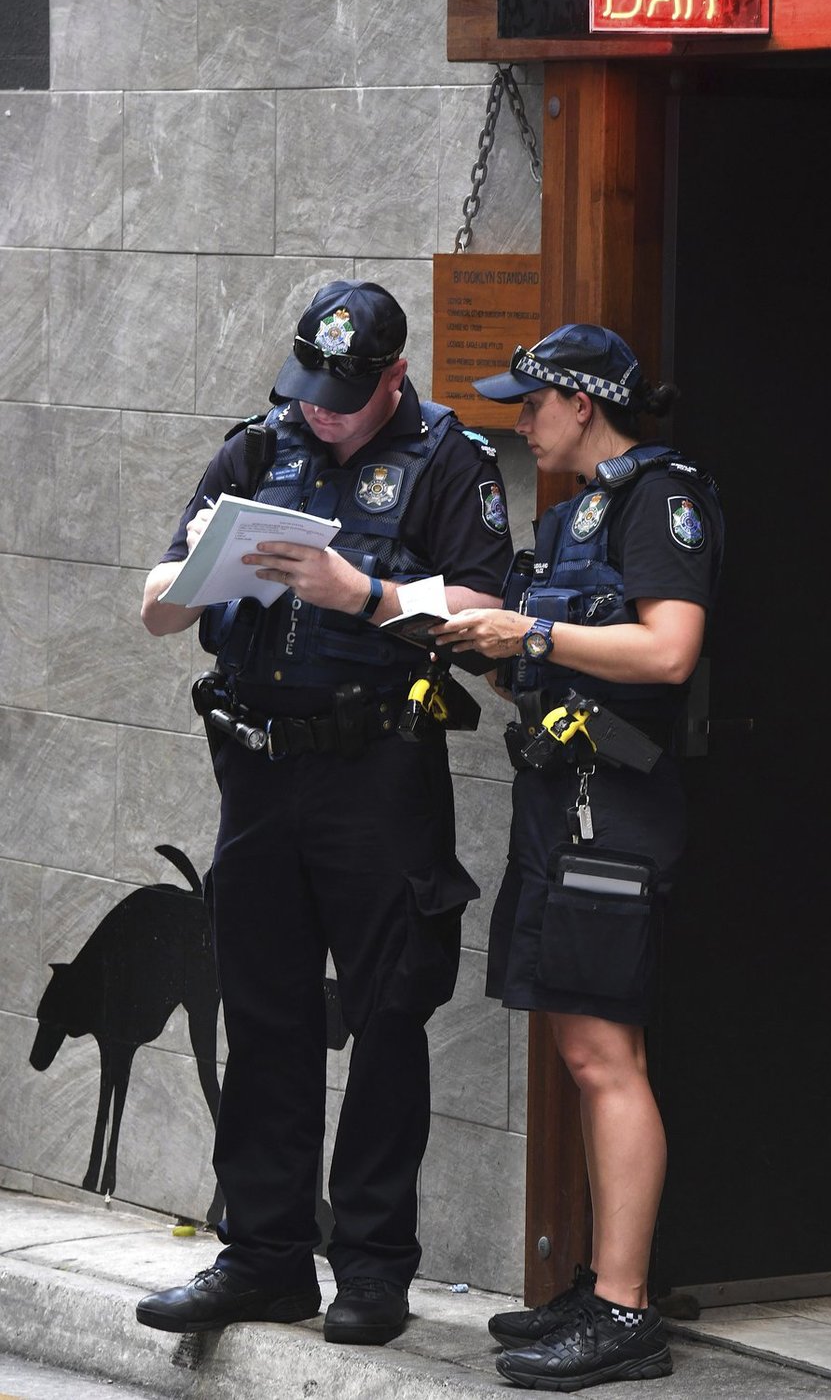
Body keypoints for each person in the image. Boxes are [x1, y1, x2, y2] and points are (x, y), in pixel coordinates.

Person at [134, 280, 512, 1345]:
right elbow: (155, 604)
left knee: (389, 1014)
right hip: (256, 771)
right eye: (311, 391)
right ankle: (263, 1257)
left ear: (394, 375)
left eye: (346, 396)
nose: (323, 413)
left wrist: (366, 596)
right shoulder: (257, 451)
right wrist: (204, 580)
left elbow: (487, 611)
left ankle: (376, 1268)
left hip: (377, 774)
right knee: (264, 1015)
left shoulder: (449, 461)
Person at [434, 323, 723, 1391]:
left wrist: (533, 636)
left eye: (531, 403)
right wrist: (479, 636)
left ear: (584, 401)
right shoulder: (570, 518)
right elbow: (547, 666)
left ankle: (624, 1310)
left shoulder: (665, 500)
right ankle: (603, 1280)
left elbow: (668, 647)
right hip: (557, 802)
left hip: (619, 808)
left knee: (609, 1060)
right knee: (580, 1055)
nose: (521, 422)